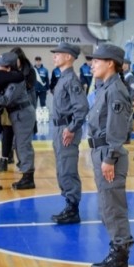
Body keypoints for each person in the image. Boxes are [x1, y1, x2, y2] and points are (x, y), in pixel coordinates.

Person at [87, 44, 134, 267]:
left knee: (114, 209)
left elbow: (116, 130)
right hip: (101, 153)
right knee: (107, 207)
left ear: (110, 63)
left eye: (97, 60)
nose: (92, 64)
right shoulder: (104, 87)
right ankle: (116, 252)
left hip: (109, 155)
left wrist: (109, 158)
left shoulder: (116, 90)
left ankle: (120, 259)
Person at [0, 52, 37, 190]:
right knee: (18, 144)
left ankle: (28, 178)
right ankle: (26, 174)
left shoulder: (16, 82)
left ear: (9, 68)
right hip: (17, 114)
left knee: (23, 145)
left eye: (0, 66)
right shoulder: (8, 77)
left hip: (23, 114)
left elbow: (5, 100)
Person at [50, 42, 89, 224]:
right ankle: (69, 205)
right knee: (61, 169)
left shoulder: (71, 80)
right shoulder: (62, 78)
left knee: (68, 170)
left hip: (67, 130)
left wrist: (71, 128)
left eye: (58, 53)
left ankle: (73, 210)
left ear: (68, 57)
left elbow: (81, 108)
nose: (54, 56)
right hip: (59, 129)